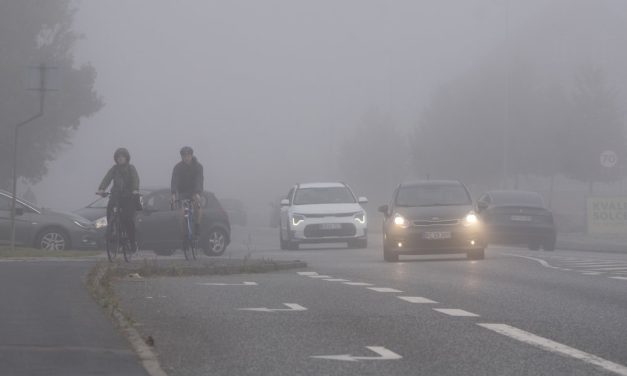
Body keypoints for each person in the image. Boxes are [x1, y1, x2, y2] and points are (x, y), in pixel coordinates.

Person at [97, 148, 140, 252]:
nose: (120, 159)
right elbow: (107, 178)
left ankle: (132, 242)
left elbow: (135, 179)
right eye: (118, 157)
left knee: (128, 219)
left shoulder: (131, 168)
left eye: (122, 157)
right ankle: (112, 231)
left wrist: (135, 190)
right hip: (116, 195)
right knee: (109, 210)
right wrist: (102, 189)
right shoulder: (114, 169)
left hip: (129, 197)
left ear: (126, 158)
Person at [171, 146, 204, 237]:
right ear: (181, 156)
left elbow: (199, 180)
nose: (186, 157)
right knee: (181, 214)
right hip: (183, 193)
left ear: (191, 155)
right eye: (184, 156)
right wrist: (173, 194)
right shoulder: (177, 168)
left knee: (198, 206)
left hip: (194, 192)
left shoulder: (198, 167)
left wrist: (197, 192)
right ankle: (184, 236)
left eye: (188, 155)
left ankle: (197, 225)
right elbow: (174, 180)